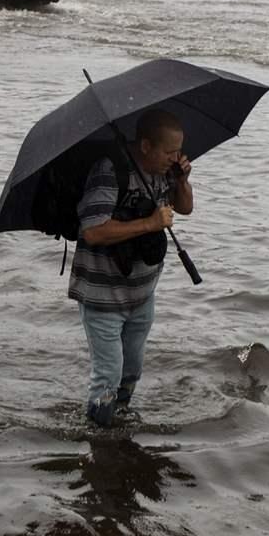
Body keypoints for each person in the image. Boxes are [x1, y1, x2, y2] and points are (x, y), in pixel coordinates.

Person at [69, 109, 193, 428]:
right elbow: (93, 230)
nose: (174, 157)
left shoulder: (166, 172)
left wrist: (183, 181)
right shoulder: (110, 172)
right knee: (108, 374)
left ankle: (118, 425)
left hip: (142, 293)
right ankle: (98, 434)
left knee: (132, 370)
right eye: (169, 151)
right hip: (103, 295)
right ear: (146, 146)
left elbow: (185, 208)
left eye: (178, 150)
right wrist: (150, 223)